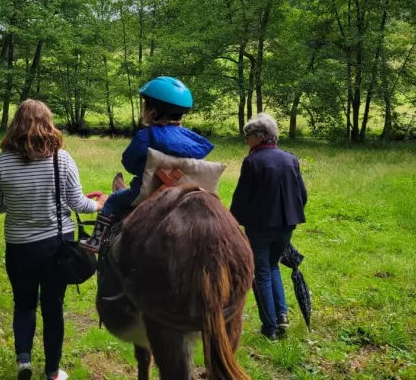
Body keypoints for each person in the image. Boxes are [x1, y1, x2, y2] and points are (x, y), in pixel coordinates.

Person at [0, 99, 106, 380]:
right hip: (56, 247)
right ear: (47, 123)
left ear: (16, 124)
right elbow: (77, 203)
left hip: (19, 247)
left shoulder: (1, 162)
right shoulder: (61, 158)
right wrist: (98, 206)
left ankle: (24, 362)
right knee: (53, 308)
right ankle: (52, 372)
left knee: (24, 304)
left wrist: (18, 203)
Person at [80, 76, 214, 253]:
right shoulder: (193, 139)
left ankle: (96, 241)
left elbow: (129, 164)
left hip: (149, 191)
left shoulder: (146, 136)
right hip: (185, 193)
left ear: (152, 110)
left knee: (112, 200)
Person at [229, 113, 307, 340]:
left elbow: (242, 197)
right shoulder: (290, 159)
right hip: (286, 226)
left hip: (260, 228)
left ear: (261, 136)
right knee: (272, 267)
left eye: (248, 135)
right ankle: (281, 317)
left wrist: (233, 222)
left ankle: (269, 328)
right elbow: (302, 195)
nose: (246, 140)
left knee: (260, 274)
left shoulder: (252, 161)